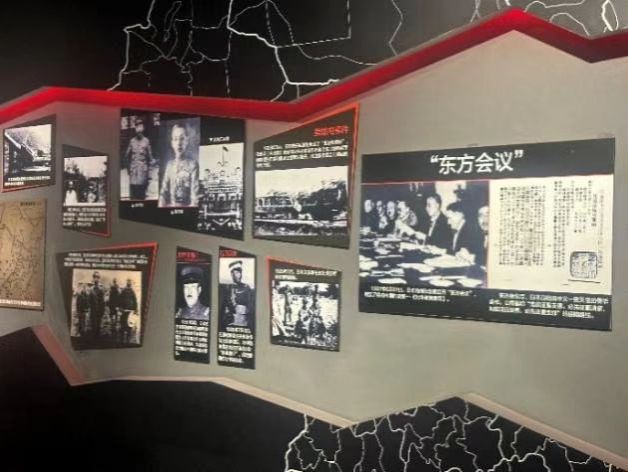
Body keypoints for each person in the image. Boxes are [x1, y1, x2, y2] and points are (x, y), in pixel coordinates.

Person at [158, 123, 199, 207]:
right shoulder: (169, 165)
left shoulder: (193, 165)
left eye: (182, 138)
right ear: (172, 143)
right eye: (175, 139)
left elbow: (194, 199)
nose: (179, 143)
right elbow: (163, 193)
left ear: (187, 141)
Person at [125, 118, 154, 200]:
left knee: (142, 197)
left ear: (143, 128)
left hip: (143, 175)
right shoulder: (132, 141)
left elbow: (150, 159)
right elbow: (126, 157)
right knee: (133, 197)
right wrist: (129, 170)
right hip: (133, 174)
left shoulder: (146, 141)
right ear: (135, 128)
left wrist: (149, 174)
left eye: (141, 126)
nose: (139, 129)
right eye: (137, 127)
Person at [223, 260, 254, 327]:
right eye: (236, 273)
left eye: (239, 272)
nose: (238, 275)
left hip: (242, 320)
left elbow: (250, 305)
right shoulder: (227, 287)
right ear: (231, 274)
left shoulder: (246, 287)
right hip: (229, 321)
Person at [119, 278, 139, 344]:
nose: (129, 283)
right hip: (124, 311)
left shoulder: (132, 291)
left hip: (130, 312)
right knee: (122, 326)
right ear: (126, 283)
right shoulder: (123, 291)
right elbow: (120, 300)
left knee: (129, 326)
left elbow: (135, 301)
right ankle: (121, 340)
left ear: (131, 283)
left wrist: (136, 310)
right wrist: (120, 309)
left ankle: (128, 340)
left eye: (130, 282)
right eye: (128, 282)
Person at [89, 271, 105, 339]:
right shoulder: (91, 289)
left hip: (99, 312)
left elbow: (103, 302)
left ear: (99, 279)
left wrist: (102, 312)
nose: (96, 279)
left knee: (98, 327)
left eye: (97, 277)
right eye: (95, 277)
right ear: (93, 278)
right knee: (93, 327)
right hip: (92, 312)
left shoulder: (101, 289)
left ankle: (97, 339)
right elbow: (89, 301)